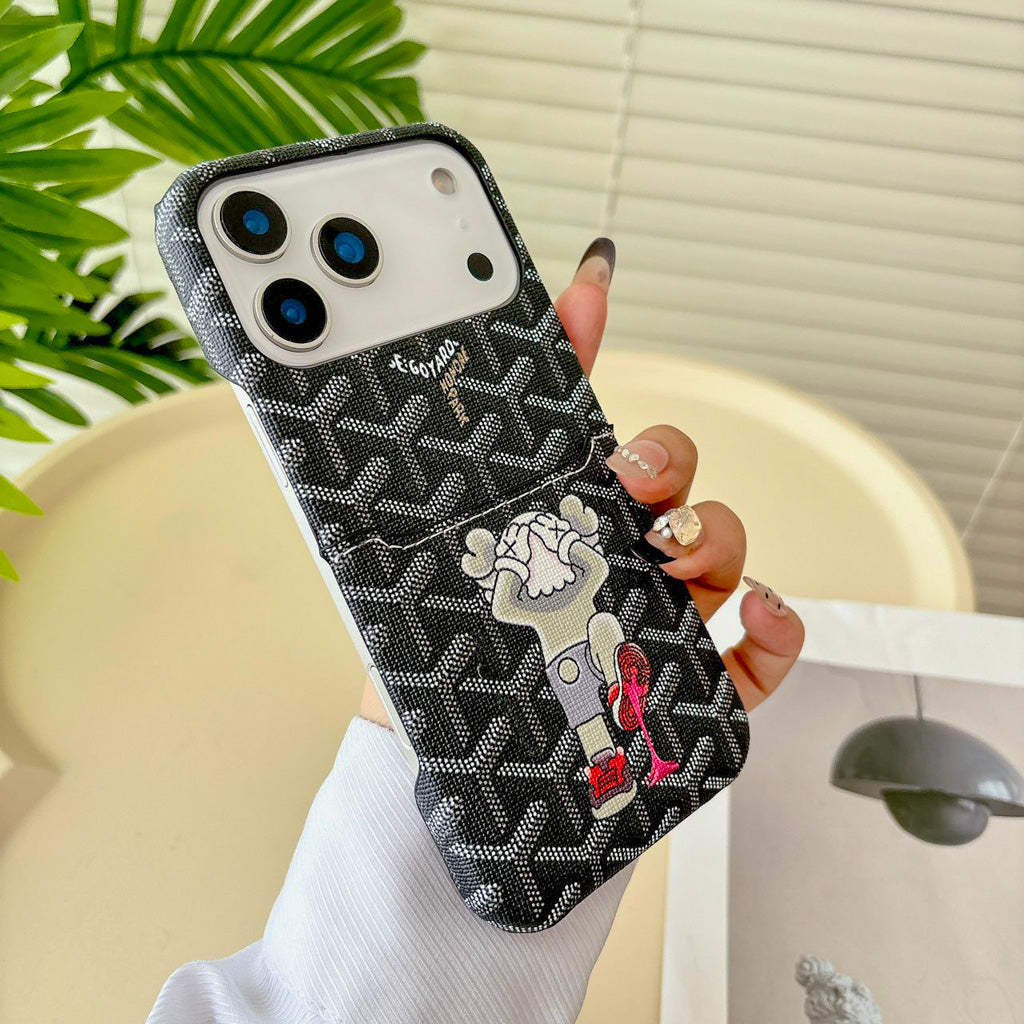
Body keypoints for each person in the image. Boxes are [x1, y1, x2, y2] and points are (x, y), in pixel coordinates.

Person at [145, 239, 806, 1024]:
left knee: (587, 660)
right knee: (579, 680)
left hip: (568, 643)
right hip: (559, 654)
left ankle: (621, 708)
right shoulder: (522, 585)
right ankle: (618, 728)